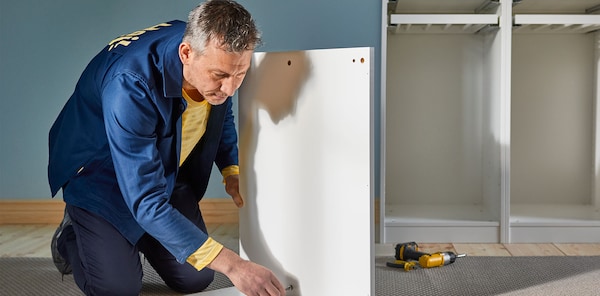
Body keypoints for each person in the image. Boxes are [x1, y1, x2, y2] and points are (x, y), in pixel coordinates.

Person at [47, 1, 286, 295]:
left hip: (163, 167)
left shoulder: (210, 59)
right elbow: (145, 198)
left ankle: (149, 232)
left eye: (240, 75)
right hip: (101, 175)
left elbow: (220, 112)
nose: (230, 88)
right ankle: (72, 237)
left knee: (196, 279)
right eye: (221, 76)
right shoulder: (130, 84)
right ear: (186, 54)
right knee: (117, 289)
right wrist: (234, 265)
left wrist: (231, 169)